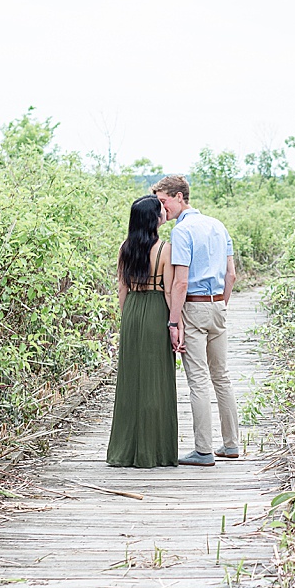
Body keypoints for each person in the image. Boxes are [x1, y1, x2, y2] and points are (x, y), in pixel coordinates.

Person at [151, 175, 238, 467]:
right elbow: (231, 275)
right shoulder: (218, 225)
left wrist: (173, 323)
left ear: (179, 196)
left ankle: (203, 450)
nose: (161, 209)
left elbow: (180, 282)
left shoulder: (182, 231)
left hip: (194, 307)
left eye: (163, 201)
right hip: (218, 305)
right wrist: (220, 305)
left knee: (198, 380)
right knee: (222, 377)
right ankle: (231, 444)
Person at [106, 195, 180, 468]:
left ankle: (124, 451)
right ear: (154, 219)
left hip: (132, 311)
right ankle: (155, 451)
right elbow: (170, 291)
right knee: (156, 380)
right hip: (156, 310)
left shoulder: (125, 248)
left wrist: (127, 318)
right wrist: (175, 324)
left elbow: (121, 289)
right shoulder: (165, 250)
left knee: (131, 380)